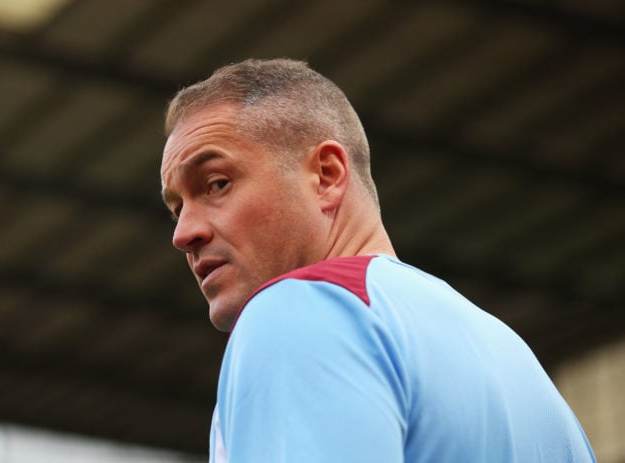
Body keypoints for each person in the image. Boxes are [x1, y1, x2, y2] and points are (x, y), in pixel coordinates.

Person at [159, 58, 595, 462]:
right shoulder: (523, 370)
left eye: (216, 184)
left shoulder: (298, 311)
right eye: (177, 209)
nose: (183, 234)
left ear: (327, 176)